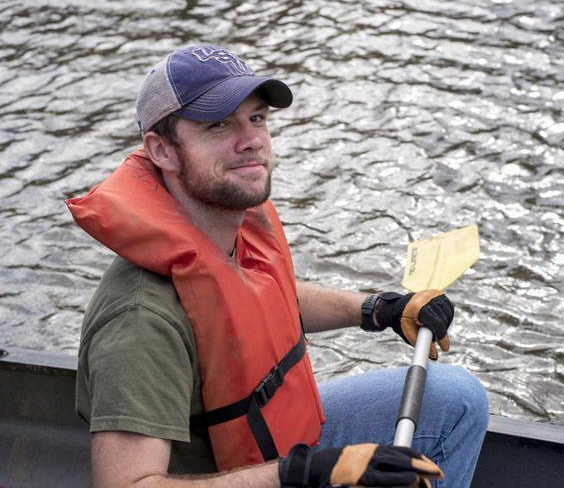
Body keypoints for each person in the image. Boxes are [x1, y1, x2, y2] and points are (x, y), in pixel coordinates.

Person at [67, 44, 488, 487]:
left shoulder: (224, 229)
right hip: (234, 475)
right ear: (163, 151)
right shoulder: (139, 320)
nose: (251, 139)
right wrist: (302, 474)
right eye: (219, 124)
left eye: (257, 118)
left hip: (276, 444)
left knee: (457, 400)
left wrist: (379, 308)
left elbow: (265, 300)